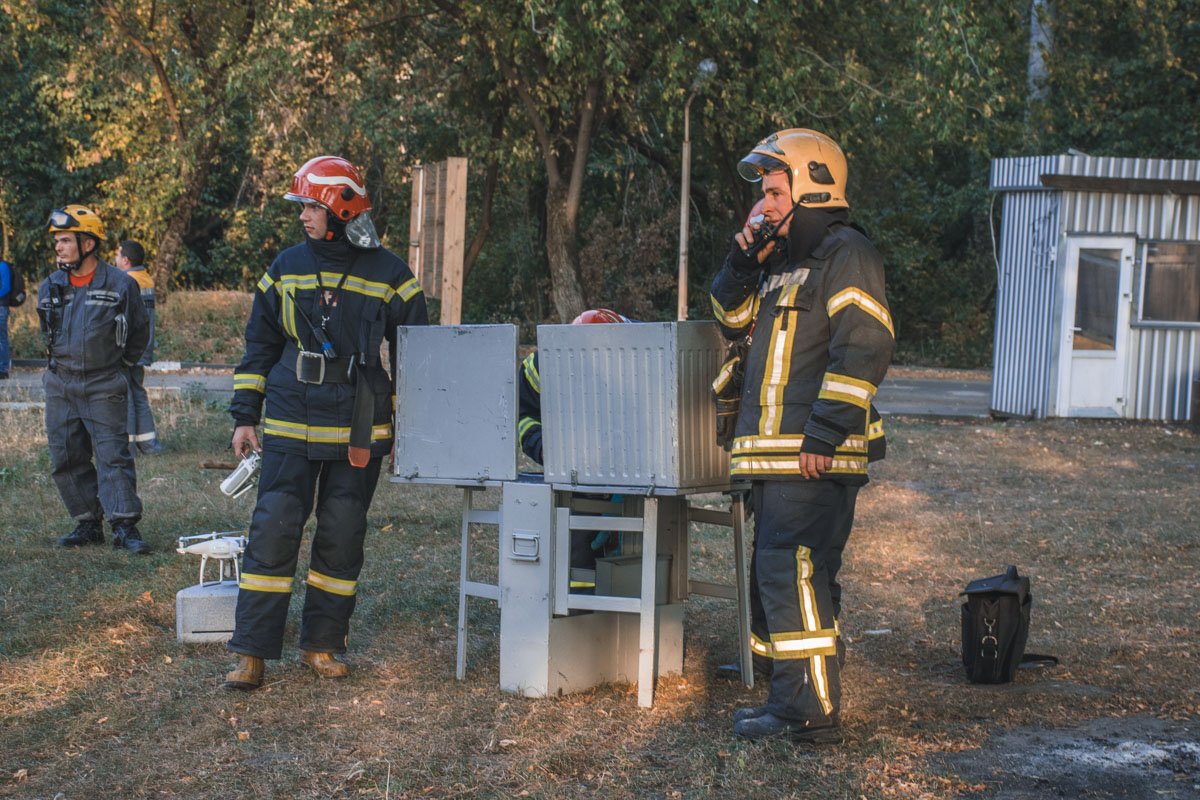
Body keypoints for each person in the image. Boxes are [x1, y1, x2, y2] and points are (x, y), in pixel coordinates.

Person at [710, 128, 894, 742]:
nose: (762, 205)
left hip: (810, 456)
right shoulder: (782, 265)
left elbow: (865, 346)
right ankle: (789, 679)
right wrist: (741, 264)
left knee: (791, 571)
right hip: (777, 457)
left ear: (812, 185)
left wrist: (822, 434)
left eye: (772, 191)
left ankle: (806, 709)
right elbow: (730, 320)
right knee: (787, 575)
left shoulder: (846, 254)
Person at [224, 155, 429, 690]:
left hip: (360, 424)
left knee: (341, 535)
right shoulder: (286, 266)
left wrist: (416, 422)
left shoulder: (391, 274)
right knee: (273, 530)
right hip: (291, 418)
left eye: (311, 206)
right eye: (303, 207)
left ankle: (321, 644)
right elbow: (260, 343)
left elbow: (417, 354)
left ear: (340, 207)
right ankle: (251, 652)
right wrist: (246, 415)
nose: (303, 216)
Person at [37, 205, 152, 554]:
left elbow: (139, 331)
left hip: (104, 383)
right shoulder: (51, 285)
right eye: (57, 240)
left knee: (112, 455)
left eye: (66, 240)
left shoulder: (119, 284)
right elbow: (47, 330)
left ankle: (124, 526)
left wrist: (121, 365)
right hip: (60, 383)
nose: (58, 247)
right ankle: (87, 521)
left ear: (88, 243)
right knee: (65, 456)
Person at [517, 308, 628, 579]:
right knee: (577, 550)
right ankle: (577, 612)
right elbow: (523, 416)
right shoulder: (543, 366)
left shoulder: (632, 368)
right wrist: (544, 446)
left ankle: (604, 609)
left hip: (622, 475)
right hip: (569, 474)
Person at [114, 240, 162, 454]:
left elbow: (123, 319)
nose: (114, 258)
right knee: (137, 392)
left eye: (117, 254)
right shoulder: (146, 279)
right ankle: (149, 444)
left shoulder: (126, 281)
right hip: (144, 347)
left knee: (126, 395)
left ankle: (129, 446)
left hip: (129, 349)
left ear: (126, 260)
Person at [0, 258, 13, 379]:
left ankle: (2, 369)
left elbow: (6, 287)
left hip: (1, 307)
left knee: (1, 338)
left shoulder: (2, 266)